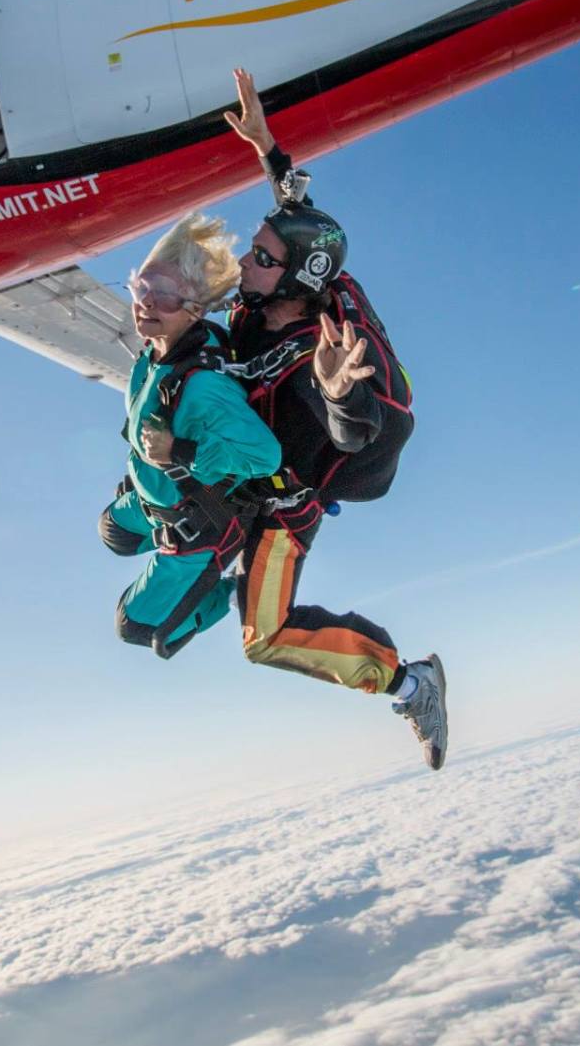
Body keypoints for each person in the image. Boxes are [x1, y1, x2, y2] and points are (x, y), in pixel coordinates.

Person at [215, 66, 448, 771]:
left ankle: (409, 682)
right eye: (250, 247)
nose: (243, 261)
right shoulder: (283, 289)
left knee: (264, 635)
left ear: (293, 281)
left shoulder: (316, 352)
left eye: (260, 258)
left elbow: (357, 432)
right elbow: (293, 209)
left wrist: (339, 389)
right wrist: (265, 147)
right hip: (254, 458)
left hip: (291, 497)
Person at [100, 214, 283, 659]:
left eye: (162, 297)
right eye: (141, 288)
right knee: (113, 533)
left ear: (194, 309)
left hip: (192, 523)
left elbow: (265, 456)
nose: (145, 304)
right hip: (152, 491)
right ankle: (146, 512)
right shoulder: (154, 350)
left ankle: (226, 592)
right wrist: (140, 473)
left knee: (139, 628)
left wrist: (177, 450)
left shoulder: (204, 386)